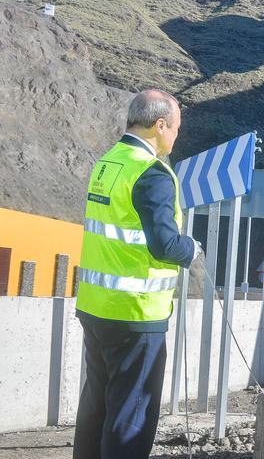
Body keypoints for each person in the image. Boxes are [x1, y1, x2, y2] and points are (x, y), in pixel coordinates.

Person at [73, 89, 198, 458]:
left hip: (95, 307)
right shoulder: (152, 173)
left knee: (96, 408)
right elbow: (164, 245)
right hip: (136, 313)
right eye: (175, 128)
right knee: (131, 417)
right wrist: (192, 248)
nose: (175, 136)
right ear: (160, 125)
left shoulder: (107, 163)